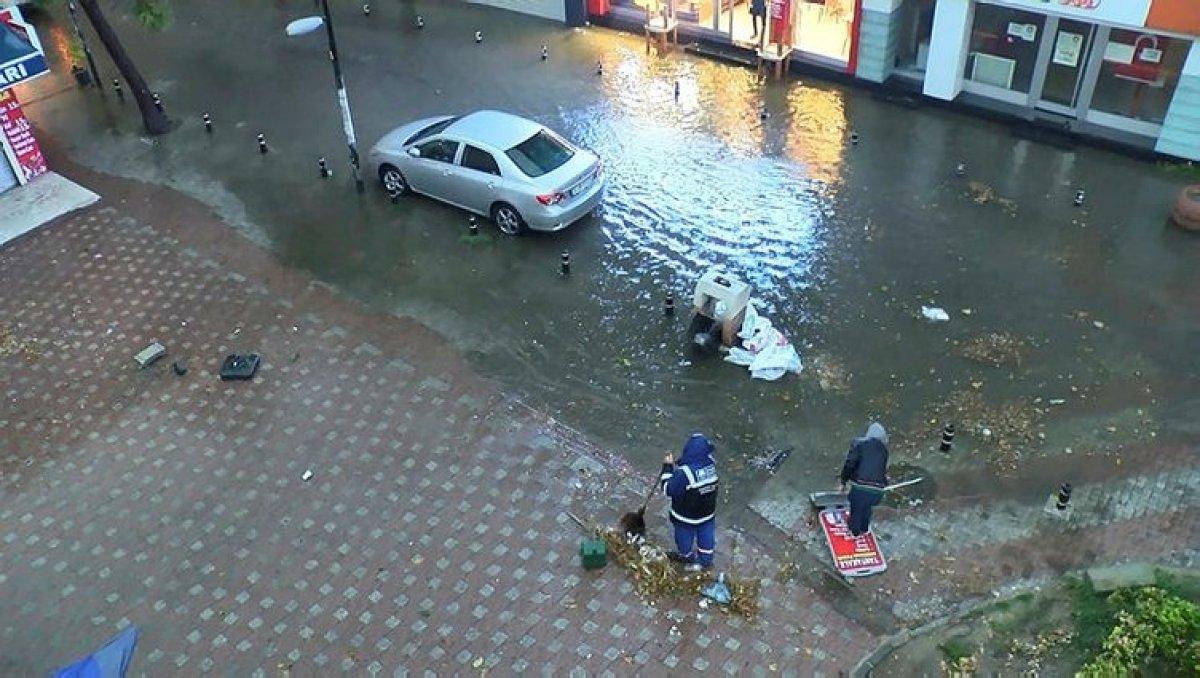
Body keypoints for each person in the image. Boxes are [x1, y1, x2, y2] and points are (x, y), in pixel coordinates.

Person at [661, 433, 719, 571]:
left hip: (685, 518)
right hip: (707, 515)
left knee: (684, 539)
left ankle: (686, 556)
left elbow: (668, 489)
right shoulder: (711, 466)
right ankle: (705, 560)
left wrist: (667, 467)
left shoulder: (685, 473)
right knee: (706, 537)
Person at [838, 422, 890, 536]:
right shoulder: (884, 451)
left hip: (861, 488)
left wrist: (843, 481)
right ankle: (864, 528)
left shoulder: (858, 444)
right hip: (878, 492)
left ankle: (854, 532)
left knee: (856, 507)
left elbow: (850, 464)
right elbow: (880, 470)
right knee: (866, 507)